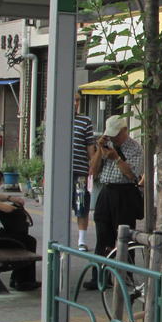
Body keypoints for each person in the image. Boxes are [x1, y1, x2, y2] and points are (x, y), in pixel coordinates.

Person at [85, 115, 144, 289]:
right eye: (110, 134)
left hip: (125, 193)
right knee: (102, 235)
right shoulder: (106, 144)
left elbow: (133, 175)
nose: (113, 138)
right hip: (106, 191)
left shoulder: (135, 148)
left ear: (124, 131)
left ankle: (126, 277)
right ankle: (99, 277)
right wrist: (98, 149)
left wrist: (116, 158)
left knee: (124, 237)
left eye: (116, 134)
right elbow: (93, 171)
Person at [72, 92, 96, 251]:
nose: (76, 103)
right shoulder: (57, 118)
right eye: (73, 100)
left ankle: (81, 240)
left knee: (82, 205)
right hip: (60, 172)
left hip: (80, 171)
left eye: (78, 100)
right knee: (59, 204)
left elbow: (90, 149)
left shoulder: (85, 121)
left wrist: (92, 168)